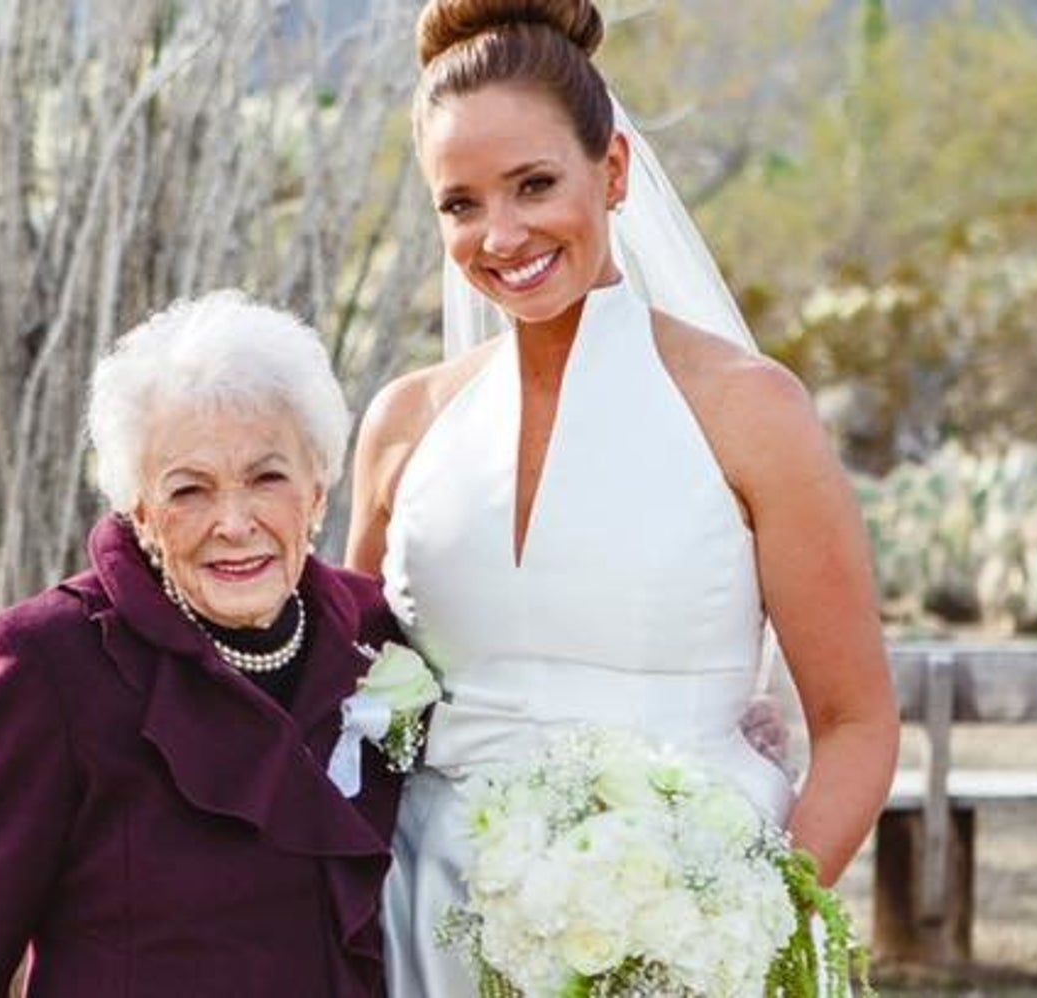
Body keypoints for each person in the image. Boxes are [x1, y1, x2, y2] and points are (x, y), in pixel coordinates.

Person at [344, 2, 901, 994]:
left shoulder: (748, 412)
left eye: (533, 184)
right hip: (421, 934)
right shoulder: (402, 423)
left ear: (612, 171)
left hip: (686, 940)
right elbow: (344, 706)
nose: (500, 234)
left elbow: (857, 723)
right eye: (459, 202)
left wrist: (746, 922)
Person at [0, 291, 409, 997]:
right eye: (189, 491)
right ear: (139, 511)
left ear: (318, 491)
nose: (233, 523)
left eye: (267, 478)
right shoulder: (45, 665)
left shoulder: (379, 638)